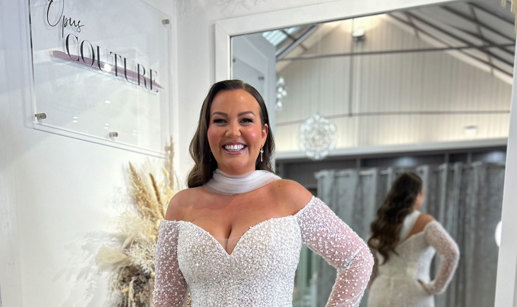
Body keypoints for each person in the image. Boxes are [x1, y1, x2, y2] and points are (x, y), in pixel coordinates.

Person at [153, 79, 374, 307]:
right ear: (207, 132)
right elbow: (165, 300)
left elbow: (357, 259)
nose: (233, 131)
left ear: (263, 133)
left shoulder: (288, 196)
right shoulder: (182, 206)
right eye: (220, 121)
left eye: (246, 120)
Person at [367, 172, 460, 307]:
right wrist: (435, 287)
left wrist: (373, 286)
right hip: (413, 294)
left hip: (380, 293)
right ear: (417, 195)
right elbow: (452, 252)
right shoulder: (425, 222)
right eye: (422, 193)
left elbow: (370, 264)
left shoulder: (380, 224)